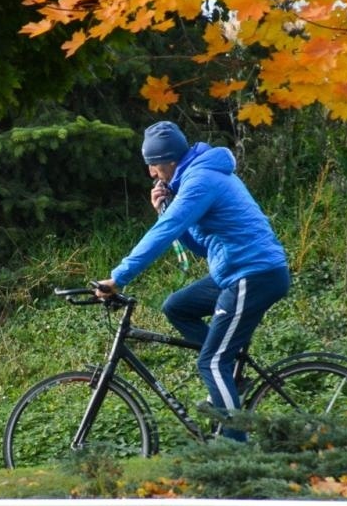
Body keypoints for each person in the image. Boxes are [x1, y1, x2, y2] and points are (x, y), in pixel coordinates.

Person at [96, 121, 291, 440]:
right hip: (235, 271)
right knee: (177, 307)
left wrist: (119, 277)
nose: (151, 174)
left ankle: (234, 452)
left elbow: (165, 232)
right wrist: (165, 209)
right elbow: (201, 246)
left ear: (170, 161)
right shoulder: (193, 179)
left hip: (253, 274)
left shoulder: (200, 180)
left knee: (211, 363)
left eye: (154, 165)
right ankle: (229, 378)